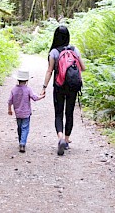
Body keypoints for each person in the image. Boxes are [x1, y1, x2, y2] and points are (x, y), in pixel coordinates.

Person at [41, 25, 85, 156]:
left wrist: (44, 87)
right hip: (72, 86)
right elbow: (83, 67)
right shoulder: (74, 49)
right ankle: (66, 139)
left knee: (59, 113)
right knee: (69, 112)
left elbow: (49, 71)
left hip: (59, 86)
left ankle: (60, 138)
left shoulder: (54, 52)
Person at [8, 69, 44, 152]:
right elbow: (35, 98)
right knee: (25, 128)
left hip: (18, 113)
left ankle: (20, 140)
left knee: (19, 127)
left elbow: (10, 101)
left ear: (18, 79)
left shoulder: (14, 90)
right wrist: (42, 96)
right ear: (27, 80)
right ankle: (22, 143)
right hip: (26, 113)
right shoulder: (28, 89)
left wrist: (9, 109)